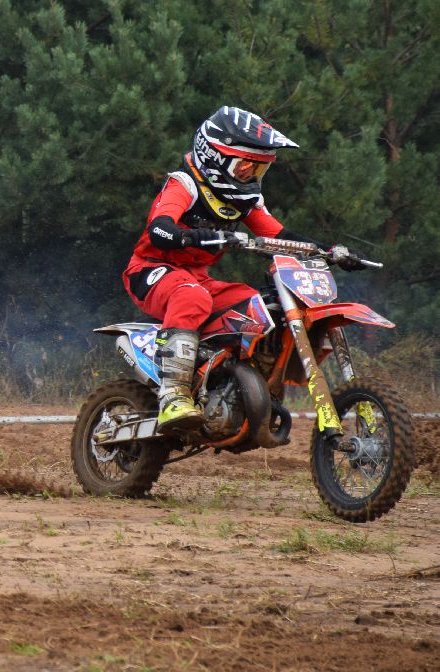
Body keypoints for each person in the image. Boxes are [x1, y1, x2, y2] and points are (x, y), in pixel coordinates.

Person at [122, 106, 363, 429]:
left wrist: (329, 250)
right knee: (192, 298)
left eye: (259, 169)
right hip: (151, 269)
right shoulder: (185, 184)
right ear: (215, 157)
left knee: (257, 306)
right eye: (246, 166)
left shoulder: (242, 199)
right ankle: (173, 396)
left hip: (197, 280)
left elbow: (278, 236)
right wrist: (196, 236)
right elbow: (159, 229)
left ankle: (230, 386)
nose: (252, 175)